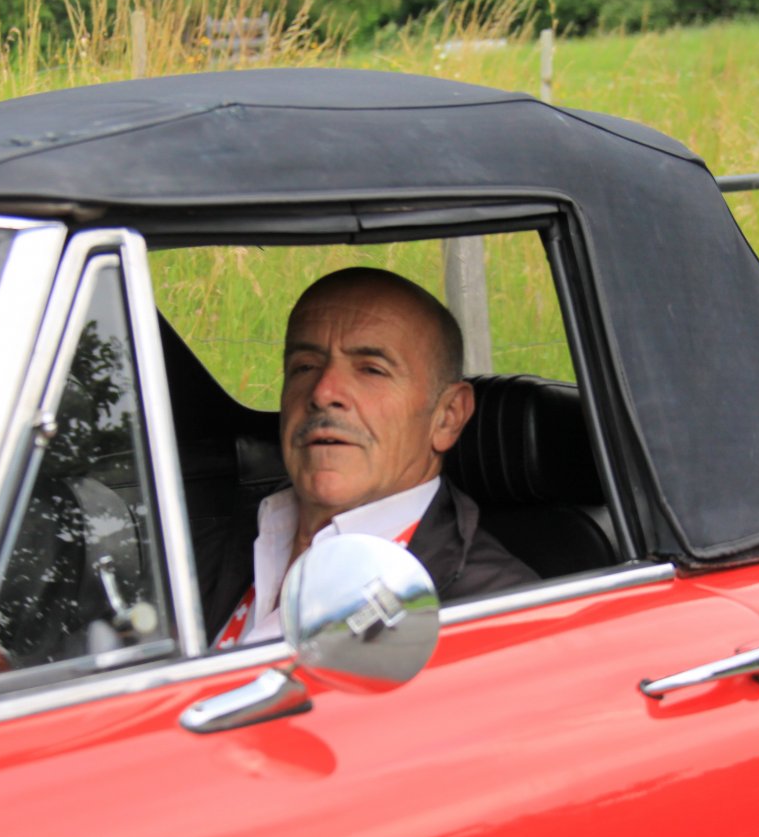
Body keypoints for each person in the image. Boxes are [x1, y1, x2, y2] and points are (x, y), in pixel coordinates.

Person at [209, 267, 538, 647]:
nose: (323, 392)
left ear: (447, 416)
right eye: (305, 366)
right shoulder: (227, 532)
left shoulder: (494, 614)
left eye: (371, 370)